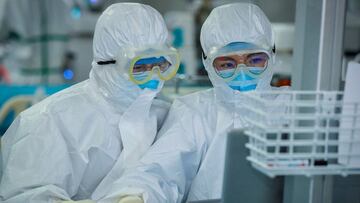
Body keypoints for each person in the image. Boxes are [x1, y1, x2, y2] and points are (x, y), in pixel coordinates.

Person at [102, 3, 288, 203]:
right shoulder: (194, 111)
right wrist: (136, 196)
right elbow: (160, 170)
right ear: (207, 62)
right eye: (227, 64)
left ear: (273, 54)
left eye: (255, 60)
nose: (242, 74)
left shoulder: (294, 106)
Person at [0, 3, 180, 203]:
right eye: (140, 67)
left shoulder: (166, 114)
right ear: (107, 63)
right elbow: (25, 197)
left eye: (161, 64)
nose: (153, 77)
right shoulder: (50, 121)